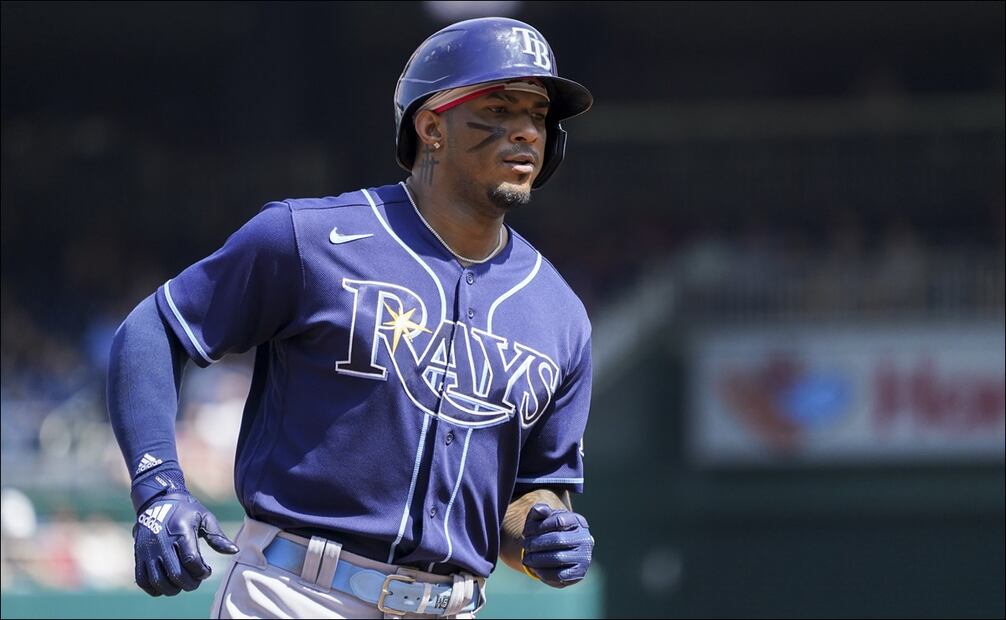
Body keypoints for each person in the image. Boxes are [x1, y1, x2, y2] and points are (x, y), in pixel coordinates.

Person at [107, 16, 595, 619]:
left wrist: (547, 532)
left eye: (538, 115)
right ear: (431, 127)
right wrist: (159, 489)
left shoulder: (560, 314)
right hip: (297, 593)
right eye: (498, 108)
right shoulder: (311, 238)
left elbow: (529, 494)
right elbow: (153, 330)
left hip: (453, 606)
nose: (525, 131)